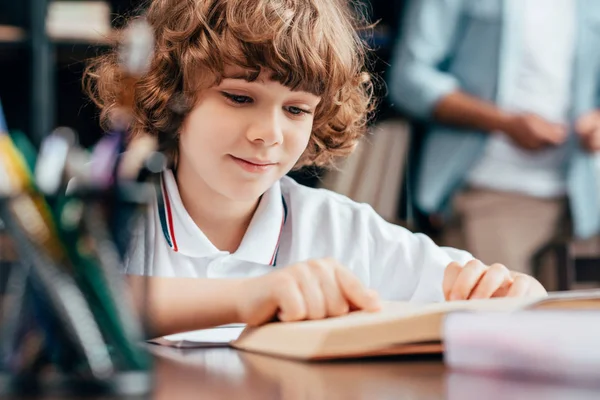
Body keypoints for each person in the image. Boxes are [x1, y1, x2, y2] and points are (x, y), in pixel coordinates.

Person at [85, 0, 546, 338]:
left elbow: (504, 295)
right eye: (239, 97)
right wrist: (252, 297)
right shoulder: (110, 206)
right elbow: (79, 301)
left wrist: (510, 293)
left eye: (296, 110)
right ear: (171, 92)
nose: (268, 133)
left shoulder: (343, 230)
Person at [388, 0, 600, 277]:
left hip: (580, 198)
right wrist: (505, 123)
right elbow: (409, 80)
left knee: (568, 318)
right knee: (495, 316)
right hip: (488, 192)